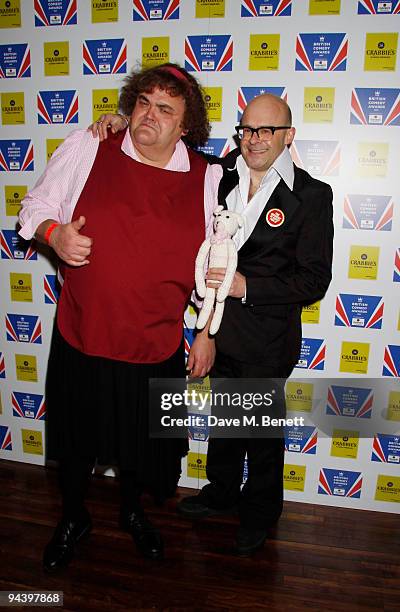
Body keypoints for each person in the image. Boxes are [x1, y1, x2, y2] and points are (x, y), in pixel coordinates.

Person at [93, 93, 334, 556]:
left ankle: (260, 512)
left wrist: (248, 287)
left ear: (289, 136)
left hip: (268, 337)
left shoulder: (311, 195)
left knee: (260, 434)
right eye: (247, 129)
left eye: (267, 130)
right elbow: (168, 143)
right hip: (217, 331)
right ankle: (222, 493)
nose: (255, 140)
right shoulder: (217, 174)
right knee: (225, 422)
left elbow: (314, 278)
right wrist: (124, 122)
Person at [18, 63, 221, 571]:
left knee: (141, 445)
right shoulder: (89, 146)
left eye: (165, 109)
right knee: (77, 442)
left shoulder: (210, 177)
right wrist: (54, 234)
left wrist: (207, 330)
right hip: (83, 330)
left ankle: (132, 513)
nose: (149, 114)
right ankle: (73, 517)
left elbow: (218, 260)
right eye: (144, 102)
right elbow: (33, 207)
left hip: (155, 341)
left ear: (185, 126)